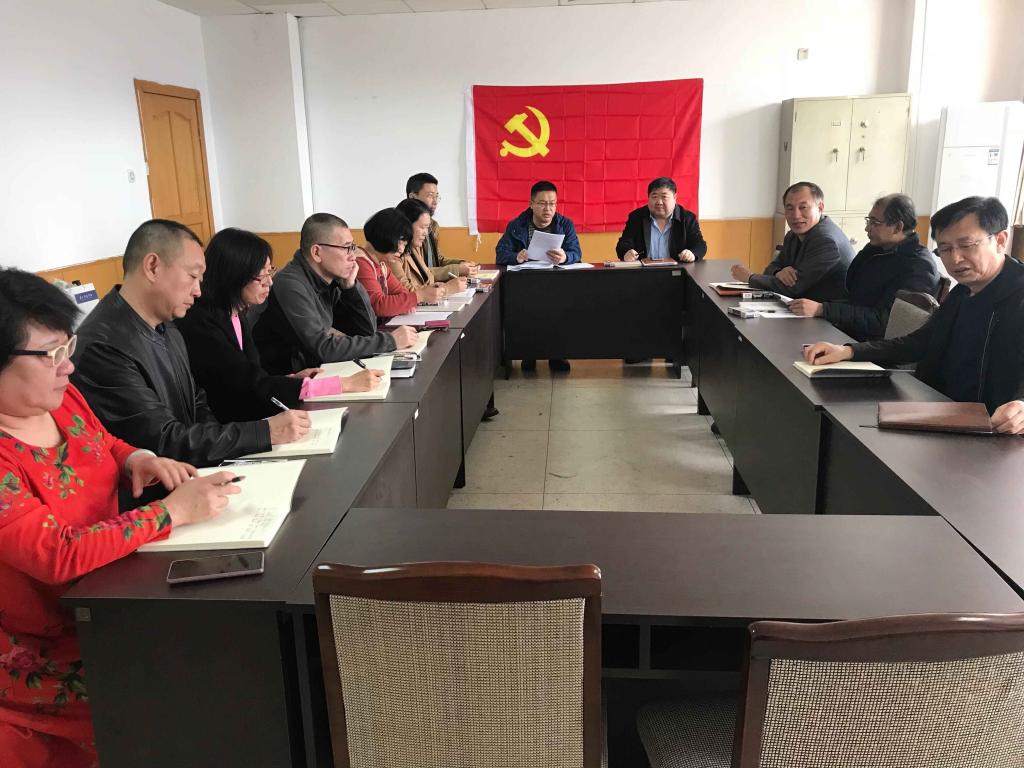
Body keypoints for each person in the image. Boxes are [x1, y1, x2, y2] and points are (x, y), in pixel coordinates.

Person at [0, 269, 239, 768]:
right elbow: (57, 553)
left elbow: (103, 441)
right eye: (51, 354)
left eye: (69, 346)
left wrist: (137, 459)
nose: (69, 365)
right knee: (177, 694)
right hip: (44, 644)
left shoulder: (60, 399)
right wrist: (170, 511)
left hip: (110, 593)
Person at [72, 220, 309, 467]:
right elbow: (163, 441)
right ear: (153, 267)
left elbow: (198, 406)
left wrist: (228, 461)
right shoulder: (103, 348)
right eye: (193, 276)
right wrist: (263, 432)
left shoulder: (168, 327)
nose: (198, 291)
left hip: (195, 471)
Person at [804, 196, 1024, 433]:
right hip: (945, 416)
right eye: (945, 249)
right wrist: (849, 351)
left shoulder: (1018, 295)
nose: (955, 259)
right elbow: (919, 343)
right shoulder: (963, 292)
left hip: (997, 432)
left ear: (1000, 240)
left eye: (967, 245)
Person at [176, 228, 383, 423]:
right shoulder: (202, 324)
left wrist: (289, 379)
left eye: (270, 271)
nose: (270, 282)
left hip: (250, 415)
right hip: (229, 427)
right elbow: (245, 387)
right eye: (261, 275)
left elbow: (249, 377)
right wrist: (343, 384)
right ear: (234, 276)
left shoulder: (236, 313)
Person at [253, 213, 418, 374]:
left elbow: (366, 331)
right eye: (346, 248)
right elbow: (322, 349)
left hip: (314, 373)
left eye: (352, 247)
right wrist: (391, 341)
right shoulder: (290, 284)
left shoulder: (330, 280)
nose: (353, 257)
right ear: (317, 253)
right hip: (283, 381)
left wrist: (350, 288)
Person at [788, 194, 940, 340]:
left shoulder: (919, 267)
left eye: (874, 223)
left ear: (897, 227)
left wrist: (823, 309)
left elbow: (886, 322)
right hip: (848, 329)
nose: (867, 229)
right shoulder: (877, 250)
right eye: (868, 221)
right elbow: (855, 298)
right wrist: (821, 308)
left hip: (872, 345)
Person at [495, 180, 582, 372]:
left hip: (556, 282)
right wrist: (515, 256)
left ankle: (557, 354)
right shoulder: (517, 225)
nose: (548, 209)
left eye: (552, 203)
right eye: (542, 203)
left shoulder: (565, 224)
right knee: (528, 312)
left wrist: (565, 257)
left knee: (559, 312)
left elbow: (576, 253)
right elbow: (500, 253)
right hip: (526, 283)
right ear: (531, 204)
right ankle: (529, 353)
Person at [732, 182, 854, 300]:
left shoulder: (826, 241)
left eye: (803, 207)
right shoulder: (792, 235)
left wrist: (750, 277)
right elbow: (771, 268)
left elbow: (794, 288)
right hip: (800, 303)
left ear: (820, 207)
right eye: (789, 208)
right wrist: (778, 272)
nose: (796, 215)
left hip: (825, 309)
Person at [355, 208, 445, 321]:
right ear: (385, 235)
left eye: (405, 244)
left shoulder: (381, 264)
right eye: (400, 242)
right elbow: (379, 305)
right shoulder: (360, 262)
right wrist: (420, 296)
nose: (401, 250)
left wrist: (409, 300)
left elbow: (401, 291)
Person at [616, 177, 707, 262]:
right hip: (644, 271)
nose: (659, 202)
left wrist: (692, 253)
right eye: (654, 197)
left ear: (675, 198)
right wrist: (626, 252)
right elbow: (623, 244)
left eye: (664, 197)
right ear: (648, 198)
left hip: (677, 270)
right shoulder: (637, 217)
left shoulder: (687, 218)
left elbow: (700, 245)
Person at [406, 172, 478, 276]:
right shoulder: (405, 227)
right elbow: (418, 272)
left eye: (437, 196)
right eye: (430, 196)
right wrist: (457, 269)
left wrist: (462, 264)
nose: (435, 202)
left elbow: (437, 260)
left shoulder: (433, 225)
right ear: (413, 197)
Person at [392, 198, 468, 295]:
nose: (426, 233)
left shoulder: (414, 248)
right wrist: (447, 289)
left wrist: (442, 286)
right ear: (406, 226)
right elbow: (407, 294)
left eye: (427, 227)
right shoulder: (393, 254)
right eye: (422, 227)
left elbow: (429, 278)